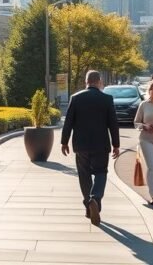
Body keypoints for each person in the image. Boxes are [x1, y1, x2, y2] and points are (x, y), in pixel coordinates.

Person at [61, 70, 120, 226]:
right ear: (99, 81)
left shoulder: (76, 98)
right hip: (101, 145)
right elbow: (113, 124)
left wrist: (64, 142)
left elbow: (68, 122)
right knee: (101, 172)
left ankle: (89, 204)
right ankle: (95, 198)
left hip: (81, 145)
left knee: (84, 175)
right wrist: (116, 145)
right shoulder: (107, 99)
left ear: (86, 81)